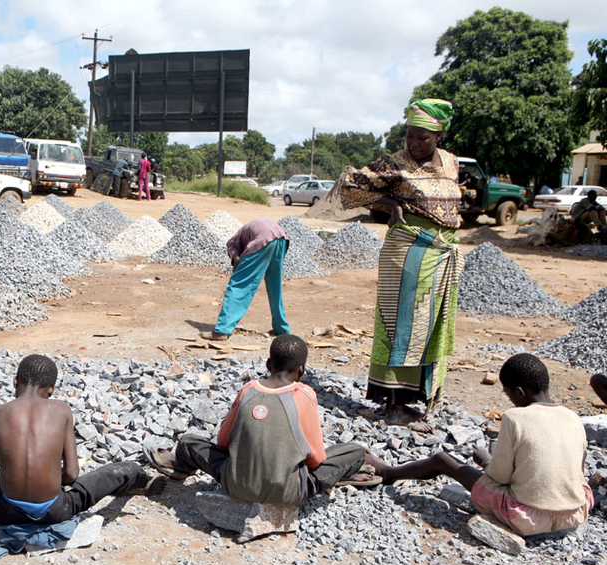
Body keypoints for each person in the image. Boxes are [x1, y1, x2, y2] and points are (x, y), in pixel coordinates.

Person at [0, 355, 165, 525]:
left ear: (15, 382)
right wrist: (52, 479)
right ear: (51, 390)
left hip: (4, 513)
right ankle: (141, 481)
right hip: (57, 511)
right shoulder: (61, 410)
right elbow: (71, 474)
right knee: (120, 471)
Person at [366, 354, 594, 536]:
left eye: (508, 394)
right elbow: (577, 472)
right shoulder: (573, 417)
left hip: (526, 517)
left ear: (520, 393)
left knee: (442, 460)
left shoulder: (516, 417)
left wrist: (485, 460)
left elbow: (499, 478)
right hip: (575, 511)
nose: (510, 399)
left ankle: (389, 473)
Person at [339, 98, 464, 431]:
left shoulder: (452, 163)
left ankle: (424, 393)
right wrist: (388, 202)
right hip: (408, 251)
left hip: (442, 253)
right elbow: (348, 188)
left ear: (438, 136)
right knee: (403, 325)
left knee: (432, 323)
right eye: (410, 135)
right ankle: (395, 404)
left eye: (422, 137)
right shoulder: (393, 163)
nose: (414, 143)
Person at [143, 335, 375, 505]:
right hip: (290, 493)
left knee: (189, 441)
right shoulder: (305, 395)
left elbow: (223, 442)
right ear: (302, 371)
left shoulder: (248, 390)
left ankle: (179, 467)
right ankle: (342, 475)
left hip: (235, 485)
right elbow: (316, 459)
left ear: (268, 364)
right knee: (354, 452)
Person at [200, 218, 290, 342]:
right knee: (275, 285)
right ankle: (281, 328)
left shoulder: (232, 243)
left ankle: (222, 330)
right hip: (281, 239)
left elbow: (237, 259)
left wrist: (238, 264)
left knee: (238, 285)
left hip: (262, 239)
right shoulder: (246, 232)